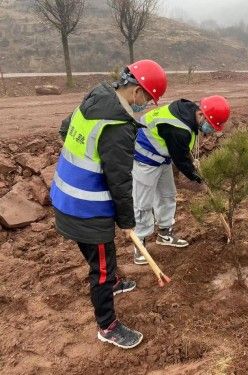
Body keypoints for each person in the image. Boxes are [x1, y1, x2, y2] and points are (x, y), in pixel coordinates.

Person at [50, 60, 167, 348]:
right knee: (101, 266)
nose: (148, 106)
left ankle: (113, 284)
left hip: (65, 195)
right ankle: (107, 326)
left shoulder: (97, 96)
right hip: (88, 208)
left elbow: (65, 130)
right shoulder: (119, 126)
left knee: (99, 257)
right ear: (137, 92)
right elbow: (120, 181)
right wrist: (127, 222)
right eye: (149, 100)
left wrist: (87, 167)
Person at [132, 95, 231, 264]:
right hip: (144, 157)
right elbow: (182, 160)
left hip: (163, 155)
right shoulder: (178, 129)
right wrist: (198, 179)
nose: (211, 130)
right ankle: (139, 244)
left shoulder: (190, 112)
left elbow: (183, 152)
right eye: (211, 125)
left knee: (167, 195)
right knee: (143, 202)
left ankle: (164, 233)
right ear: (201, 115)